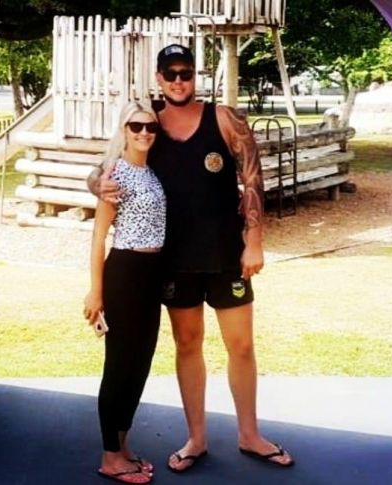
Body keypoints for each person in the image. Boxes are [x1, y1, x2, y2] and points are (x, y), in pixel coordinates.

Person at [88, 44, 294, 472]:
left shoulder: (225, 118)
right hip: (175, 261)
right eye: (170, 74)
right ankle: (196, 439)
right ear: (159, 79)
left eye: (185, 72)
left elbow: (253, 177)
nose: (178, 81)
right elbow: (111, 163)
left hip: (226, 254)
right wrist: (94, 183)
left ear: (195, 75)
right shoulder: (150, 124)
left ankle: (250, 434)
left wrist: (255, 239)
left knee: (241, 345)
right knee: (187, 344)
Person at [83, 101, 166, 484]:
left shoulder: (152, 171)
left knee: (140, 363)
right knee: (118, 366)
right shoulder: (115, 174)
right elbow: (99, 237)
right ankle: (110, 457)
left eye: (150, 127)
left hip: (152, 273)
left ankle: (122, 444)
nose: (144, 132)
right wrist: (95, 292)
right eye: (136, 126)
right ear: (124, 131)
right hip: (124, 272)